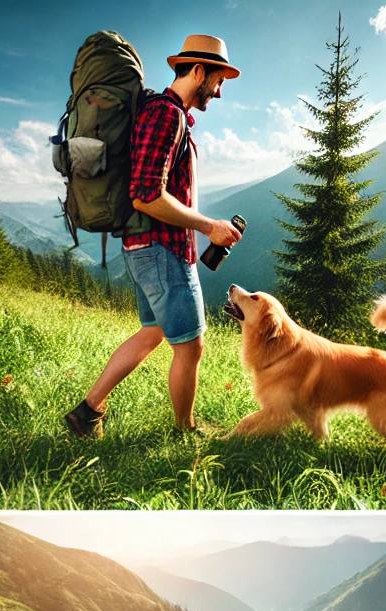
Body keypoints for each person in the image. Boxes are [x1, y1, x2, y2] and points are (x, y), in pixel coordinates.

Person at [65, 34, 244, 438]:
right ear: (197, 71)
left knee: (154, 332)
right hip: (160, 250)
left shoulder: (165, 114)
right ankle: (186, 432)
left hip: (147, 247)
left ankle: (87, 413)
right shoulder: (167, 115)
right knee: (192, 346)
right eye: (217, 80)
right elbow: (146, 195)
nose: (218, 92)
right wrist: (207, 226)